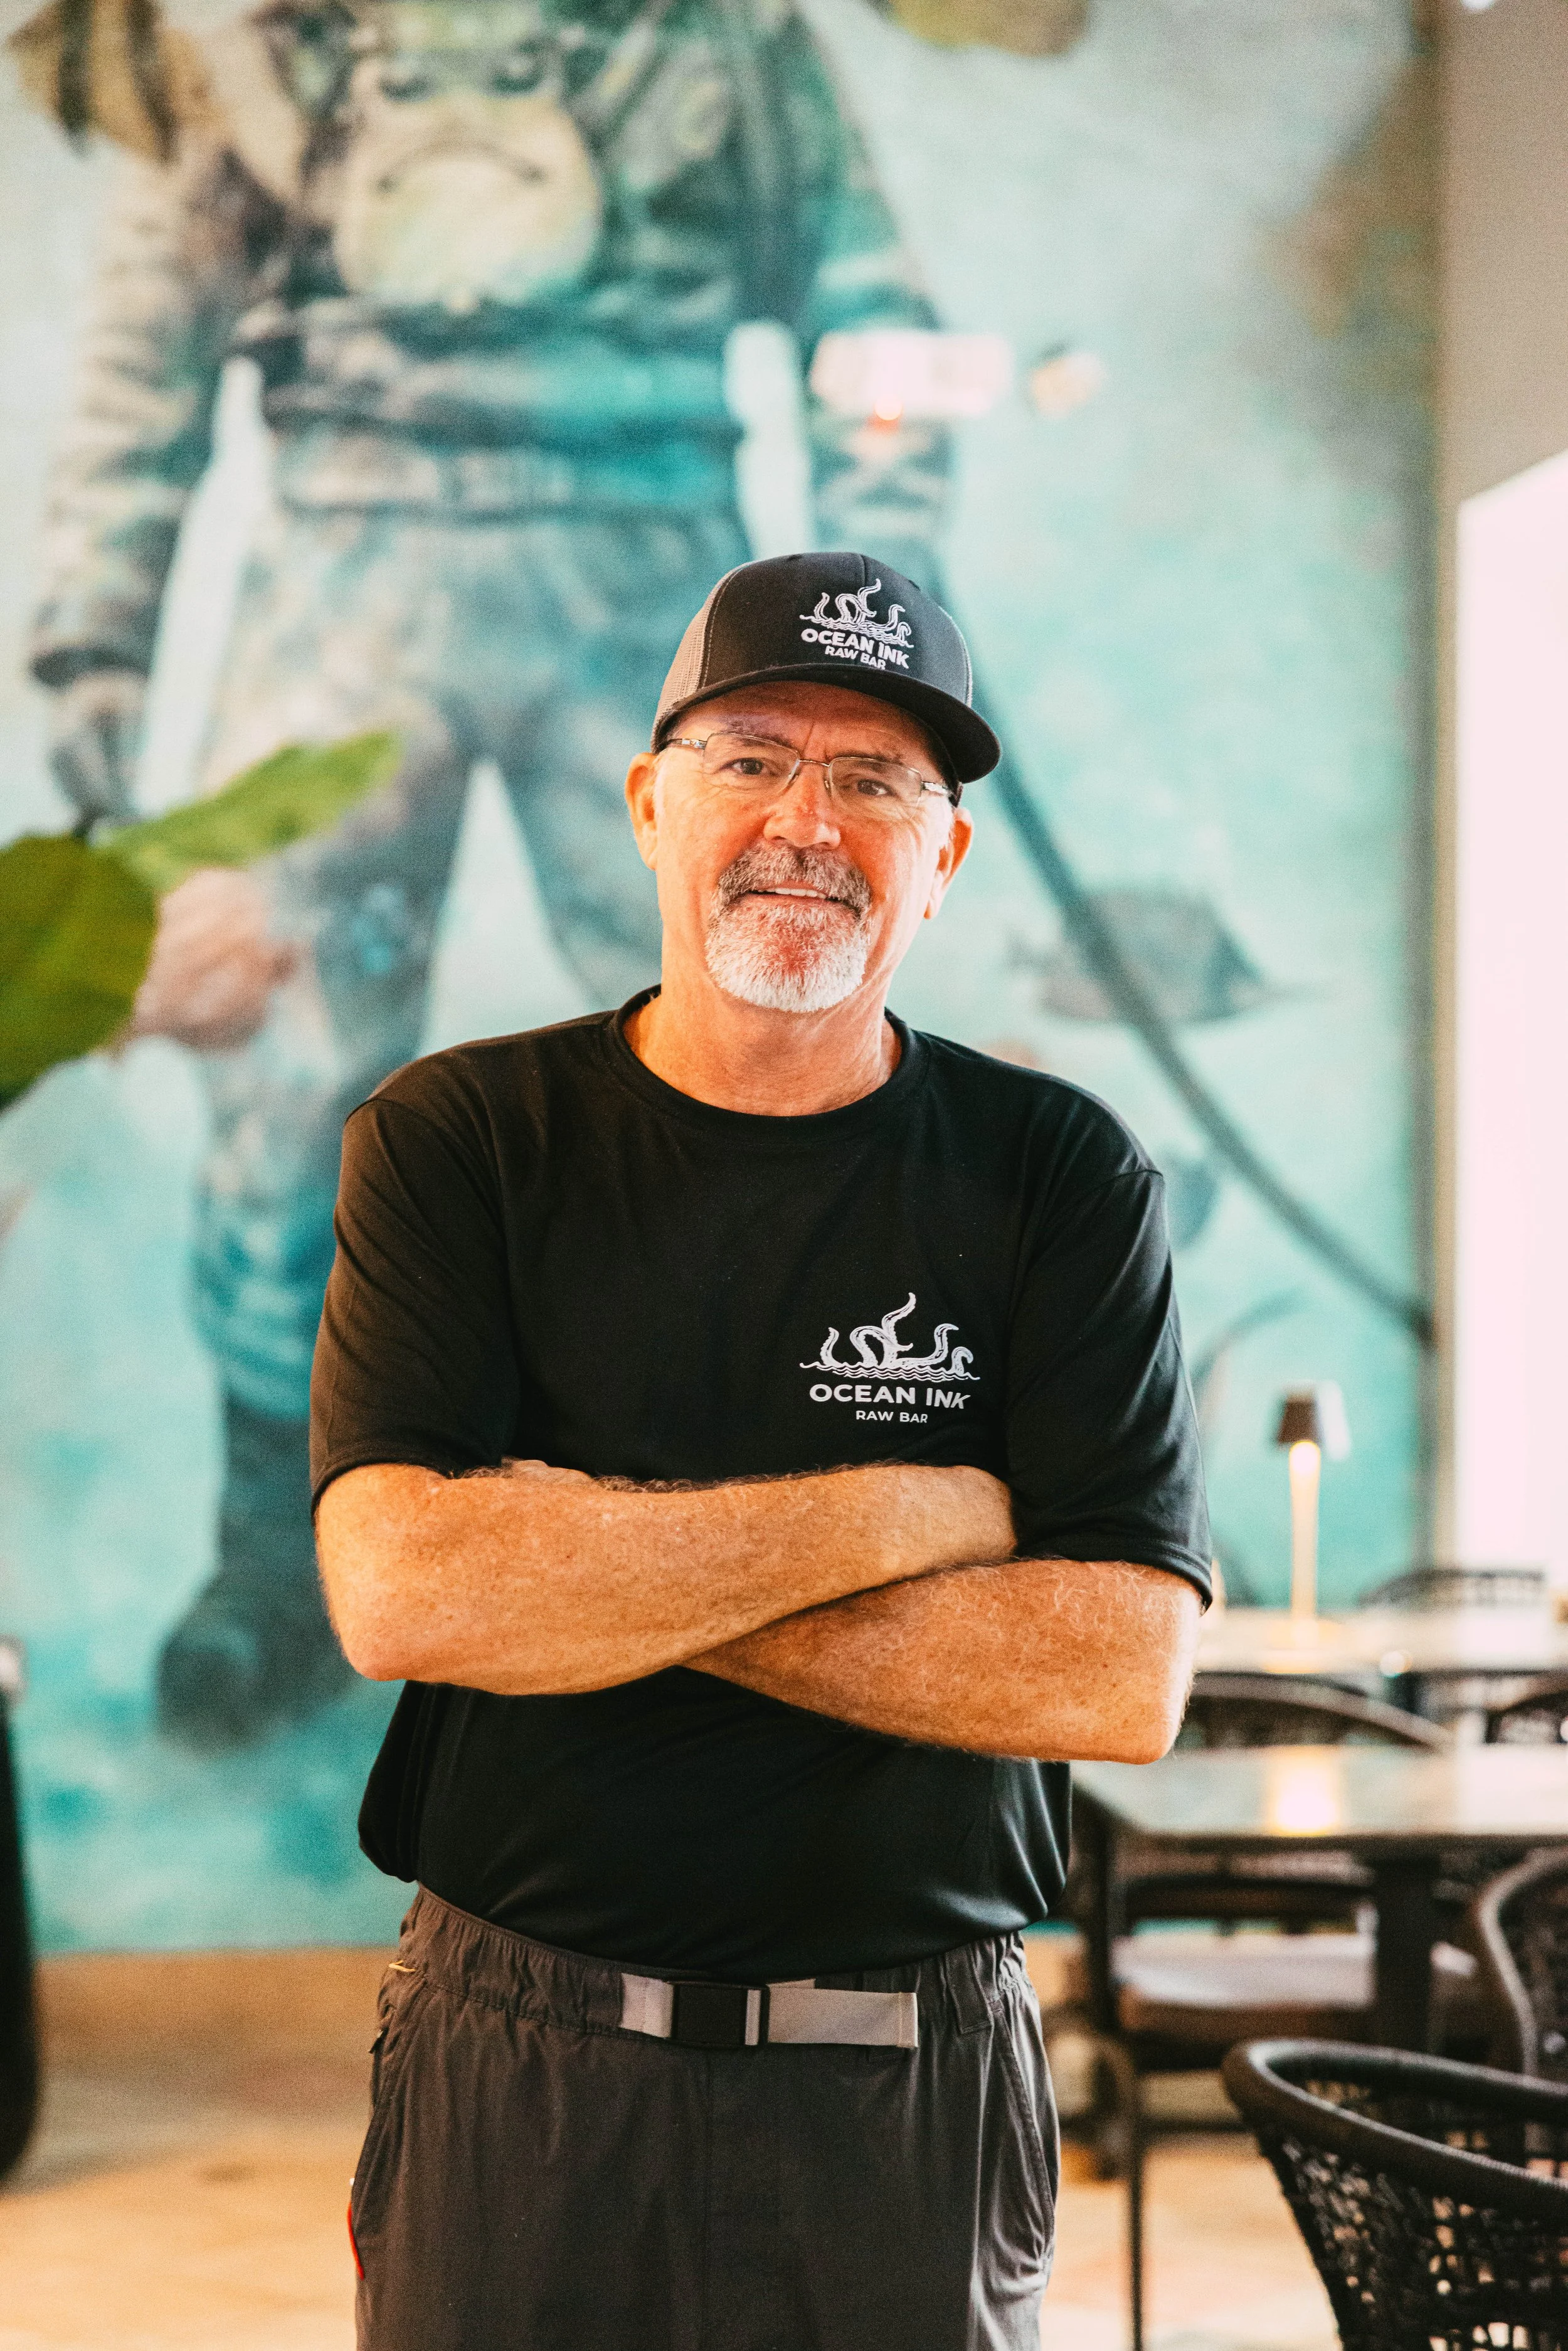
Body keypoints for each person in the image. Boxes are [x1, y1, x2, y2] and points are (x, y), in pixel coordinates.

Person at [310, 548, 1210, 2350]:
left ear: (940, 859)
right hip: (522, 2061)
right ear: (650, 806)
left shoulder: (1057, 1176)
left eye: (876, 780)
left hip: (908, 2085)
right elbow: (405, 1588)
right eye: (753, 757)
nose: (808, 818)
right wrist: (912, 1512)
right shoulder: (463, 1140)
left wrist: (582, 1572)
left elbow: (1115, 1671)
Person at [29, 0, 951, 1744]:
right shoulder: (261, 40)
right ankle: (278, 1548)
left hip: (654, 574)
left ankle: (705, 1542)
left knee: (729, 1078)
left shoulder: (727, 37)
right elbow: (151, 349)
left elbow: (868, 313)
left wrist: (879, 620)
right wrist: (93, 636)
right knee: (290, 1091)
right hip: (347, 569)